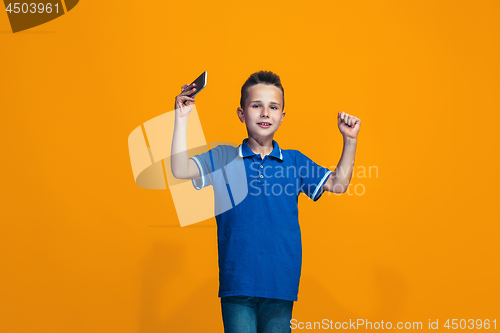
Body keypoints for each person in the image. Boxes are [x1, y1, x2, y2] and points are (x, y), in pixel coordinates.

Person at [171, 70, 361, 333]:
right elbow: (180, 169)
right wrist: (182, 118)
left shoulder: (295, 162)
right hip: (237, 281)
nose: (264, 113)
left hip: (280, 282)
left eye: (273, 107)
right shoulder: (224, 157)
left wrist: (349, 140)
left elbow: (338, 184)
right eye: (256, 105)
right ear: (241, 113)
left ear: (282, 117)